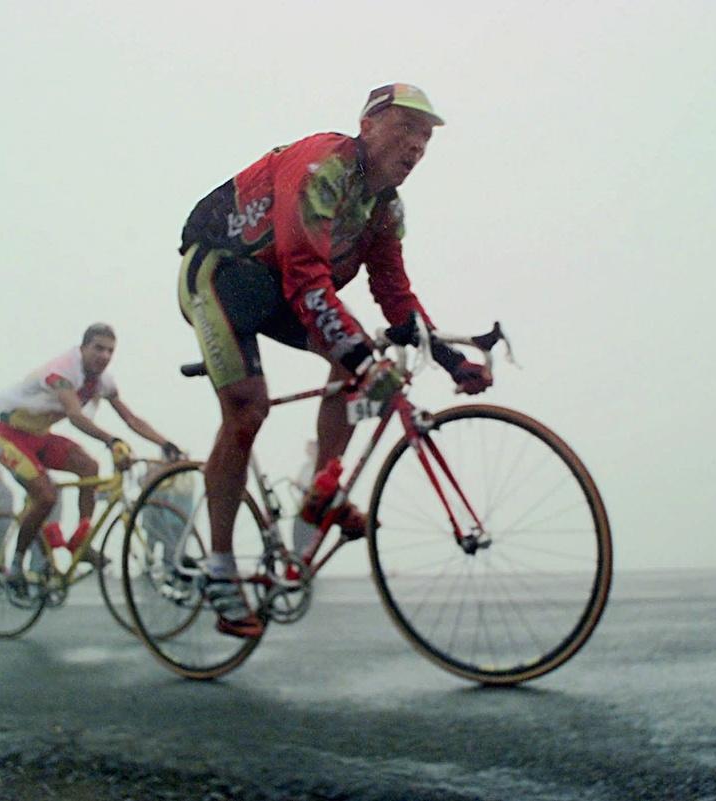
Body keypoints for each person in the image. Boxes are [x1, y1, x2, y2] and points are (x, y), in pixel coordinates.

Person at [177, 84, 493, 637]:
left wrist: (448, 359)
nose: (416, 145)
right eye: (404, 128)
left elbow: (394, 297)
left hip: (280, 287)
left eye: (424, 137)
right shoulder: (324, 166)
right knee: (249, 411)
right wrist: (363, 362)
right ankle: (219, 569)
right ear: (367, 125)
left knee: (360, 357)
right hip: (221, 276)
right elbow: (306, 279)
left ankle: (322, 490)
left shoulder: (385, 208)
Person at [0, 323, 183, 596]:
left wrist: (166, 443)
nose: (104, 356)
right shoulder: (63, 370)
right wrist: (111, 441)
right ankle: (13, 567)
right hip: (10, 439)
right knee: (46, 496)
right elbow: (76, 416)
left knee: (90, 467)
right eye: (98, 348)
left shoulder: (103, 381)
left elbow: (131, 419)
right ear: (83, 347)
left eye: (110, 351)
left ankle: (81, 541)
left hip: (40, 436)